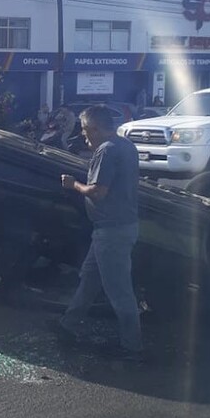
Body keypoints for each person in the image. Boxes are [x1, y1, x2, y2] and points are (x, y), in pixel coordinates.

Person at [56, 105, 143, 361]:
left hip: (112, 232)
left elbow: (98, 191)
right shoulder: (126, 146)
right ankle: (67, 327)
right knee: (89, 281)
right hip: (114, 228)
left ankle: (132, 348)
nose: (84, 136)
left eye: (84, 131)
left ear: (95, 128)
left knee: (120, 292)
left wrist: (73, 185)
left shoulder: (106, 151)